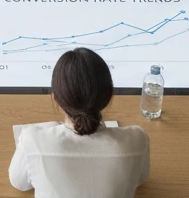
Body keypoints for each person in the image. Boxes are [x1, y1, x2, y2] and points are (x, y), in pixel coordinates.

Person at [9, 48, 150, 197]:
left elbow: (19, 183)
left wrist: (50, 128)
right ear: (110, 94)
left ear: (55, 97)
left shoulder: (32, 140)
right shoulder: (138, 140)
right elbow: (139, 179)